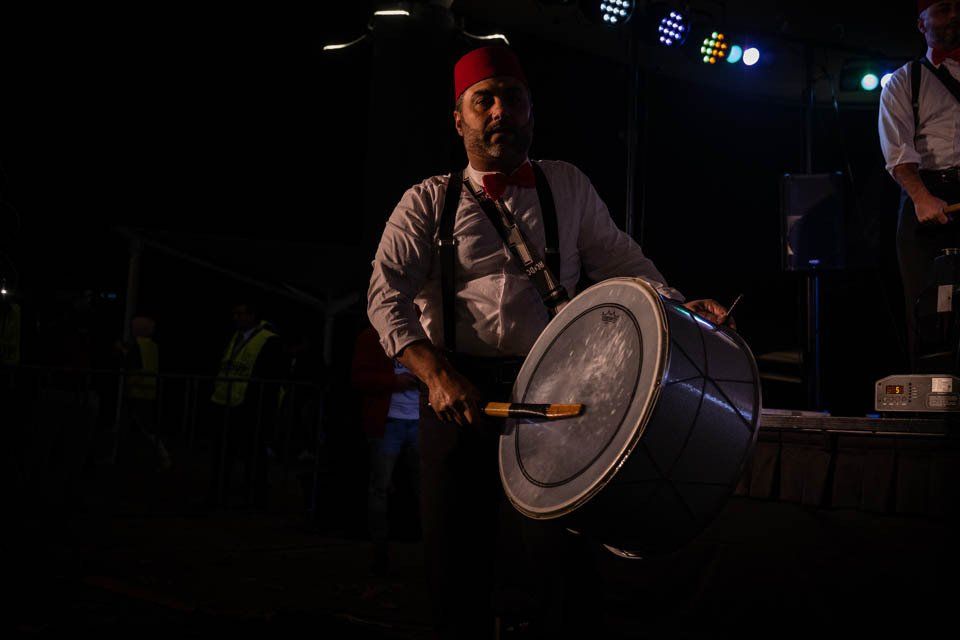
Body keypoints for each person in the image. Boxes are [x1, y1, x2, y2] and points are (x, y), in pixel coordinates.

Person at [367, 46, 729, 638]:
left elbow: (624, 264)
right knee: (456, 560)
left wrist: (684, 306)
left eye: (512, 97)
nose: (499, 111)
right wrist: (434, 374)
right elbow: (386, 299)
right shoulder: (427, 201)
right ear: (459, 118)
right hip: (456, 398)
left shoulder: (567, 185)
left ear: (531, 110)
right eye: (483, 100)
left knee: (560, 560)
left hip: (551, 394)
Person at [880, 0, 960, 366]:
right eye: (942, 9)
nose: (954, 16)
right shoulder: (903, 80)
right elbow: (899, 152)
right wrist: (922, 197)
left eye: (958, 7)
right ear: (921, 23)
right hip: (925, 194)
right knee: (925, 306)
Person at [351, 325, 421, 575]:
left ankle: (429, 551)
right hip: (389, 423)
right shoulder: (372, 336)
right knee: (380, 489)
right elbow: (359, 377)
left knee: (426, 489)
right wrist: (394, 381)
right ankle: (380, 552)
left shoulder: (426, 332)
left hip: (418, 422)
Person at [208, 301, 286, 505]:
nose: (236, 318)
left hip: (250, 406)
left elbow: (269, 377)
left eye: (241, 314)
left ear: (253, 316)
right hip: (228, 401)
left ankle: (254, 495)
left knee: (252, 453)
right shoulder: (234, 337)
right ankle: (221, 491)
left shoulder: (269, 340)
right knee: (226, 451)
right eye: (235, 314)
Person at [115, 315, 171, 469]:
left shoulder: (137, 346)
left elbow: (133, 364)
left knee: (144, 426)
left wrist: (121, 351)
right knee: (145, 426)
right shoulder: (153, 346)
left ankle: (161, 454)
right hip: (149, 390)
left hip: (135, 390)